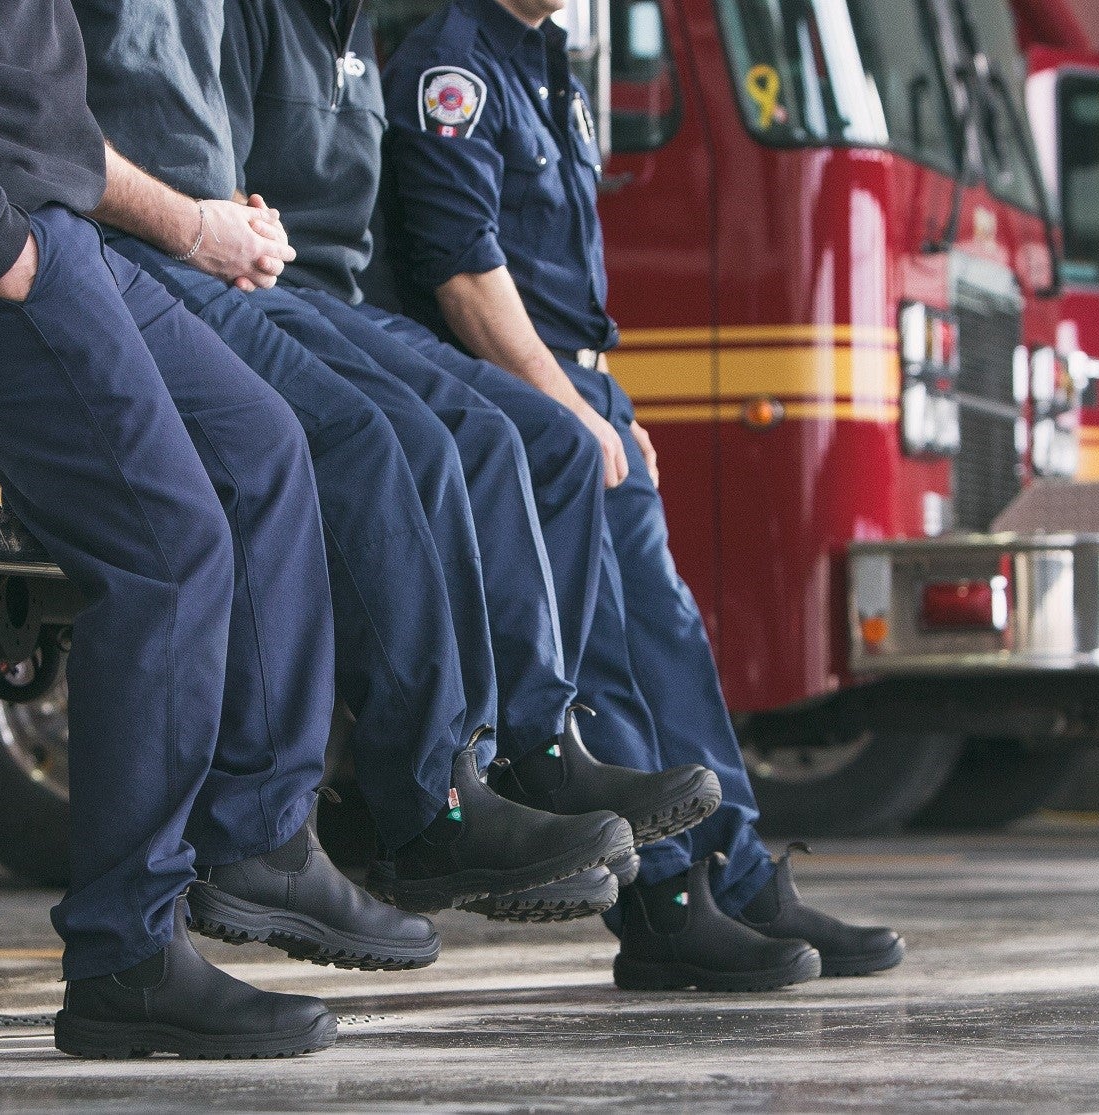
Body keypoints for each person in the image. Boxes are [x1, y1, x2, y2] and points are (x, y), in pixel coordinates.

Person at [0, 0, 557, 1060]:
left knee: (267, 445)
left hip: (51, 220)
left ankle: (261, 836)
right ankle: (123, 958)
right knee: (168, 551)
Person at [73, 0, 713, 923]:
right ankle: (417, 804)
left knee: (512, 443)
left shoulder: (366, 40)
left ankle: (523, 749)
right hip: (176, 263)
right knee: (377, 445)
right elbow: (69, 136)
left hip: (255, 271)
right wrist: (217, 223)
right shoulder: (384, 44)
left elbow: (216, 161)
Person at [375, 0, 909, 991]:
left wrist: (613, 407)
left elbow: (567, 274)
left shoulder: (549, 63)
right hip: (525, 403)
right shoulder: (448, 65)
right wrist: (563, 408)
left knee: (670, 645)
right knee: (606, 659)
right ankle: (661, 905)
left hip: (584, 389)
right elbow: (459, 267)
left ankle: (739, 876)